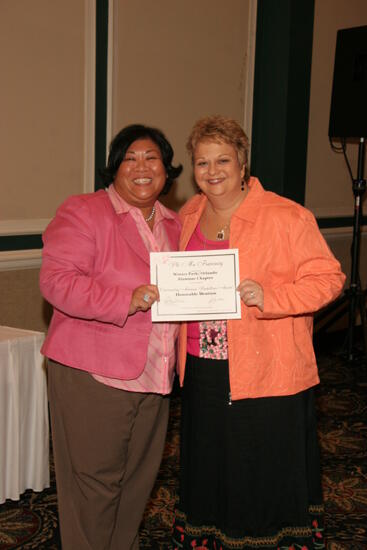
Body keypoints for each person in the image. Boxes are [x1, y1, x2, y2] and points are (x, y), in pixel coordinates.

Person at [172, 115, 346, 549]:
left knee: (262, 458)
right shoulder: (189, 213)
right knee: (211, 456)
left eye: (223, 160)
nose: (212, 172)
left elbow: (329, 278)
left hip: (268, 364)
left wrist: (272, 297)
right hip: (201, 363)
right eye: (201, 162)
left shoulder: (287, 216)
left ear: (243, 162)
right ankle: (211, 532)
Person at [40, 124, 182, 550]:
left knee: (137, 485)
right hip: (94, 375)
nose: (142, 167)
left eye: (152, 158)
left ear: (166, 169)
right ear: (114, 168)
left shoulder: (177, 224)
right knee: (94, 488)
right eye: (130, 158)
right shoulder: (84, 211)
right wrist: (126, 298)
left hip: (156, 373)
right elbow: (57, 282)